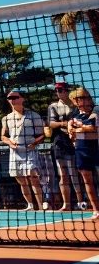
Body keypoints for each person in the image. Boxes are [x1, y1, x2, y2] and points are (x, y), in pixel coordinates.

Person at [0, 91, 47, 211]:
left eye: (15, 97)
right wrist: (10, 142)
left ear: (22, 99)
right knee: (20, 179)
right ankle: (30, 205)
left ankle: (41, 206)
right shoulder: (6, 118)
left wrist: (35, 142)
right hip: (15, 151)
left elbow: (43, 133)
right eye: (10, 98)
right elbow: (3, 136)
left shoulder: (33, 115)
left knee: (33, 177)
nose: (12, 99)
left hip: (29, 150)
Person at [48, 81, 87, 211]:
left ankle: (81, 202)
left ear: (67, 91)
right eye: (57, 90)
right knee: (63, 174)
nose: (59, 92)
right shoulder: (53, 106)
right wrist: (66, 123)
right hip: (59, 142)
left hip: (75, 141)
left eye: (61, 90)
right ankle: (67, 204)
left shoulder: (76, 106)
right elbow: (51, 124)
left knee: (75, 173)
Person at [66, 87, 99, 218]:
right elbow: (71, 133)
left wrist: (78, 128)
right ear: (75, 101)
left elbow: (93, 128)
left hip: (95, 148)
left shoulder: (96, 111)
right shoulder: (74, 116)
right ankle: (96, 210)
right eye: (80, 98)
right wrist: (71, 130)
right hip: (81, 150)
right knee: (87, 180)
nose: (83, 101)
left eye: (85, 97)